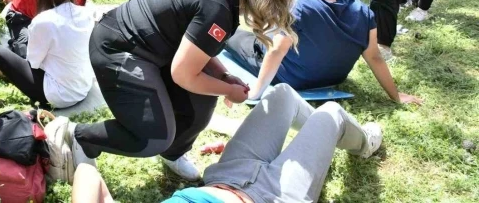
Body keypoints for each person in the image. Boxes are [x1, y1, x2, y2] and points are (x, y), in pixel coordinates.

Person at [52, 0, 298, 182]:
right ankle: (79, 136)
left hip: (148, 49)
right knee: (153, 137)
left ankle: (174, 153)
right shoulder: (219, 8)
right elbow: (183, 74)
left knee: (204, 90)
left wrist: (223, 77)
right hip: (117, 50)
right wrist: (227, 90)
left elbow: (195, 47)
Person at [71, 84, 383, 203]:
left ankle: (315, 140)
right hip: (273, 195)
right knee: (330, 113)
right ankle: (363, 143)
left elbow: (88, 175)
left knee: (282, 95)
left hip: (228, 175)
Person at [226, 0, 423, 104]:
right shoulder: (363, 10)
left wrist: (256, 93)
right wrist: (396, 96)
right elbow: (374, 56)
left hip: (294, 80)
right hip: (334, 78)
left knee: (235, 36)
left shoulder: (299, 5)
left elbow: (277, 50)